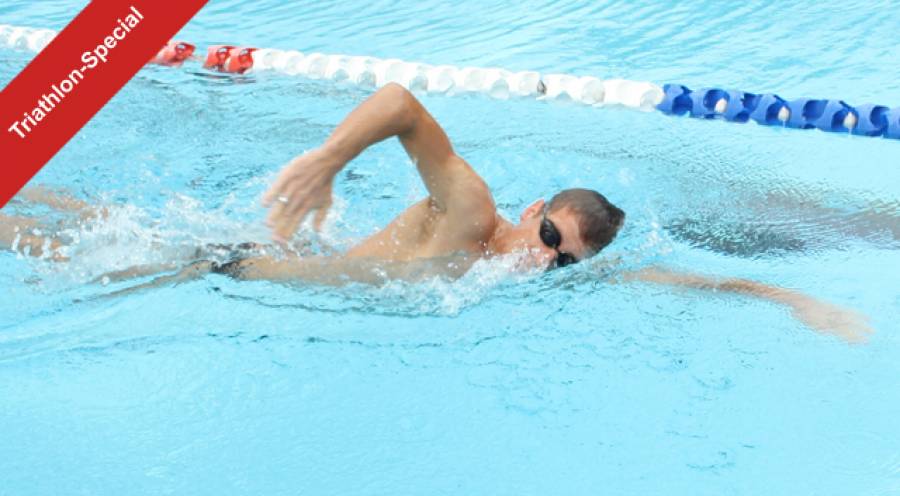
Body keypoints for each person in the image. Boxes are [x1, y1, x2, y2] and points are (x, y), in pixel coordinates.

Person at [0, 84, 872, 342]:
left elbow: (667, 277)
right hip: (229, 269)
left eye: (560, 260)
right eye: (546, 238)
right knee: (62, 261)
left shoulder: (517, 279)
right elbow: (402, 102)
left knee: (101, 226)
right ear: (534, 211)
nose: (542, 261)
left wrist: (791, 299)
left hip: (266, 262)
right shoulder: (474, 214)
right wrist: (327, 162)